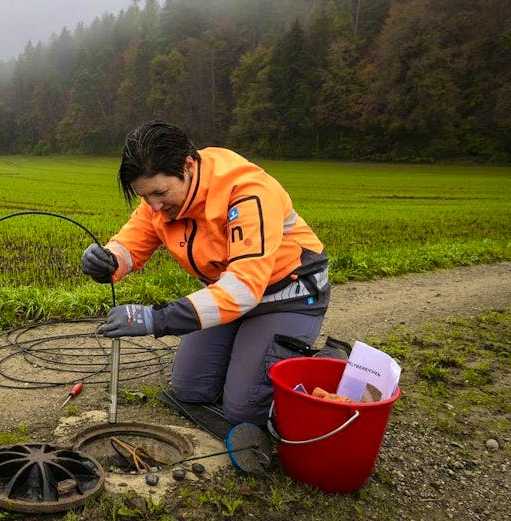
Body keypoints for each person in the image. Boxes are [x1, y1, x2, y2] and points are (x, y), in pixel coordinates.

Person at [81, 120, 330, 427]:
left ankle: (323, 364)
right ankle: (250, 356)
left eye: (159, 193)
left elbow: (242, 289)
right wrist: (108, 259)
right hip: (229, 296)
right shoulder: (159, 198)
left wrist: (155, 319)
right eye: (144, 197)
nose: (154, 206)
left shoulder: (247, 192)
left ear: (188, 165)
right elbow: (132, 242)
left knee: (244, 412)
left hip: (286, 294)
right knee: (189, 388)